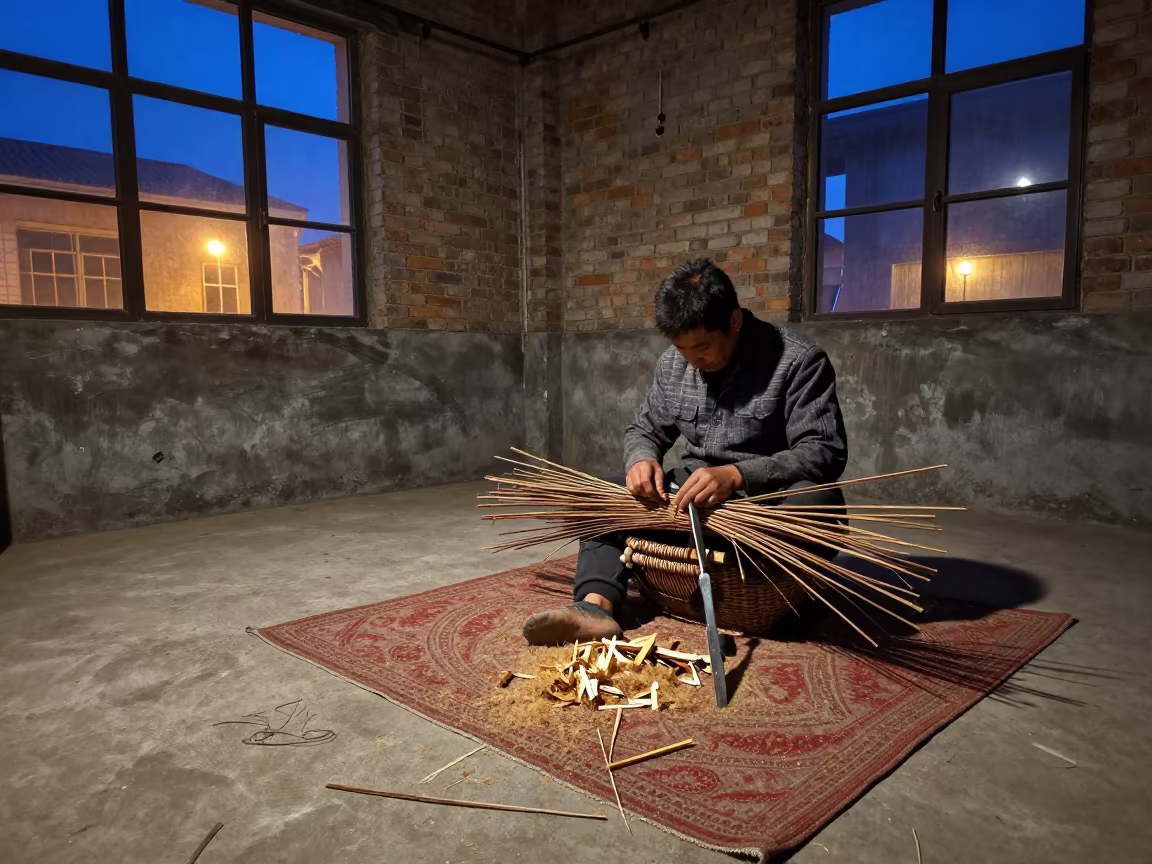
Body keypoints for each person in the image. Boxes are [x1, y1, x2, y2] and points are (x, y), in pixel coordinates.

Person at [522, 258, 849, 645]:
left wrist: (737, 476)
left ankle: (767, 594)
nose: (694, 359)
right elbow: (644, 429)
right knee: (602, 495)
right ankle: (596, 608)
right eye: (682, 348)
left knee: (819, 501)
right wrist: (641, 459)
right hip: (688, 501)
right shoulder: (674, 364)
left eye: (703, 347)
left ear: (735, 321)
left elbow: (824, 451)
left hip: (762, 507)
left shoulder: (798, 361)